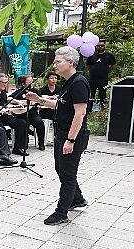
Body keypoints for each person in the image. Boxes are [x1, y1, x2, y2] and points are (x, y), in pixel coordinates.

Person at [25, 46, 90, 225]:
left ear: (70, 62)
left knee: (67, 176)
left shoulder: (79, 83)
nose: (54, 64)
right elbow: (61, 105)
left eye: (58, 61)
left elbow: (80, 113)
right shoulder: (68, 82)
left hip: (72, 136)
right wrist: (39, 100)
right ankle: (77, 199)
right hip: (62, 133)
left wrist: (70, 140)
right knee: (61, 170)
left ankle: (61, 213)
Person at [0, 73, 29, 156]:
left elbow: (4, 103)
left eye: (6, 82)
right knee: (0, 127)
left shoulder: (3, 92)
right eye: (3, 82)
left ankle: (18, 148)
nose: (5, 84)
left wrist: (15, 106)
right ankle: (0, 152)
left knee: (22, 123)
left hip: (4, 116)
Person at [14, 75, 46, 150]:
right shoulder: (19, 92)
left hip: (33, 113)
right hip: (22, 114)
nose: (32, 83)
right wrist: (18, 102)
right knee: (23, 123)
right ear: (23, 84)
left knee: (40, 123)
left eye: (32, 81)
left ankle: (41, 142)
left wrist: (35, 102)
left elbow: (41, 101)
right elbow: (10, 98)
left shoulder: (35, 91)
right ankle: (24, 143)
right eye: (29, 82)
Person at [86, 40, 115, 111]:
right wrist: (93, 70)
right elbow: (87, 65)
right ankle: (89, 110)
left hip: (103, 79)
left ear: (105, 46)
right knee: (90, 95)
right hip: (92, 79)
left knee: (102, 96)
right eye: (98, 46)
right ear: (96, 46)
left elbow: (113, 65)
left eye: (102, 45)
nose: (100, 47)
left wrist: (107, 71)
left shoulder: (109, 56)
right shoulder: (91, 55)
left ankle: (102, 111)